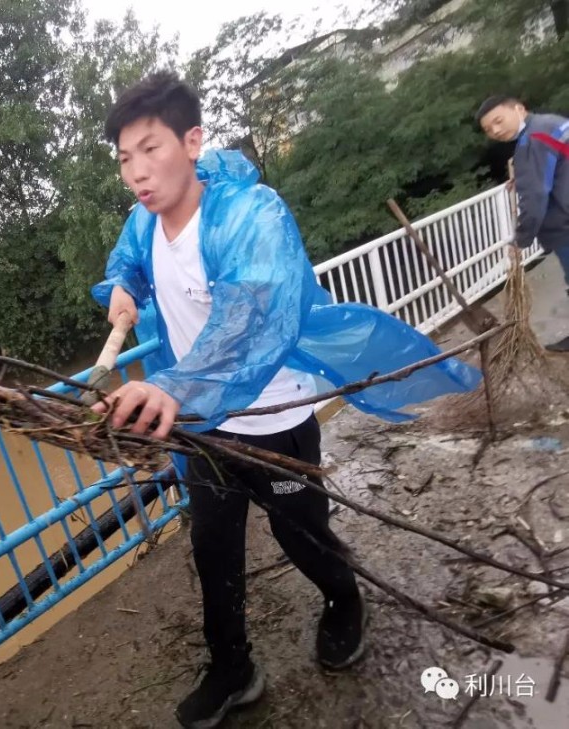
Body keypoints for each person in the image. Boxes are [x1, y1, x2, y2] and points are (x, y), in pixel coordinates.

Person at [91, 71, 481, 729]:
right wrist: (123, 287)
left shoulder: (253, 216)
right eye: (126, 158)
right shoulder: (143, 222)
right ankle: (232, 668)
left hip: (274, 416)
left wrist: (168, 387)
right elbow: (126, 261)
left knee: (301, 534)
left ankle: (344, 600)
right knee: (213, 547)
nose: (137, 172)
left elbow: (246, 325)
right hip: (200, 425)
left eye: (150, 149)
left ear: (192, 141)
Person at [477, 94, 569, 352]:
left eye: (498, 121)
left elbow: (535, 197)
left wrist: (520, 240)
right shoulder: (551, 123)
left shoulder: (531, 140)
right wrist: (527, 175)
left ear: (518, 109)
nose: (495, 131)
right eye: (488, 129)